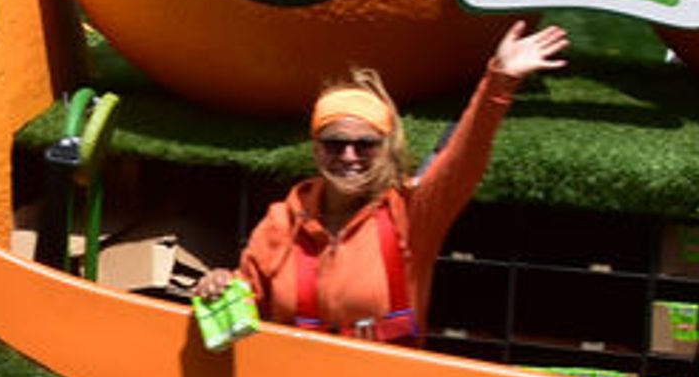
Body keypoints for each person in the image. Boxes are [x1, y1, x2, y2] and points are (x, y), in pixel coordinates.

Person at [197, 24, 570, 343]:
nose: (348, 156)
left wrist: (499, 82)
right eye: (334, 144)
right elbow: (250, 297)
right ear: (316, 149)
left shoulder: (411, 214)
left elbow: (463, 161)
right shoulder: (281, 221)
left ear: (385, 148)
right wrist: (221, 283)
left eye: (365, 145)